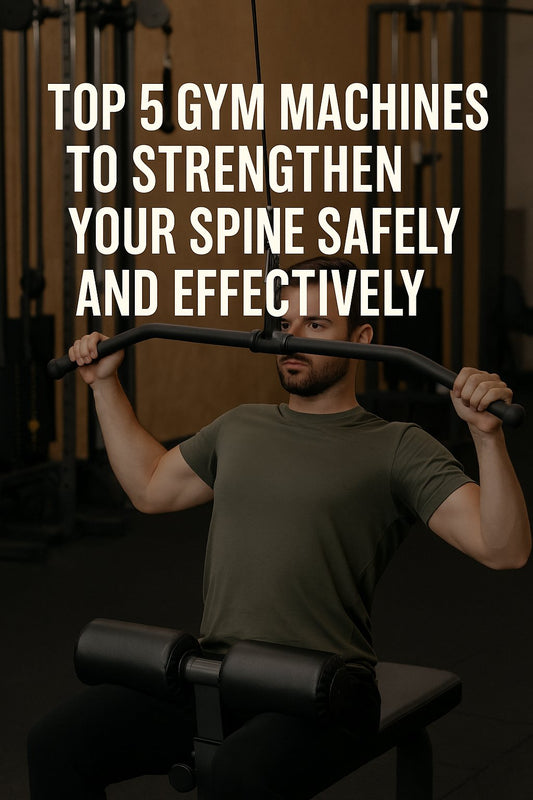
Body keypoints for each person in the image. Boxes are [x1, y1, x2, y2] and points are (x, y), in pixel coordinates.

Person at [28, 257, 531, 800]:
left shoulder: (398, 446)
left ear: (362, 338)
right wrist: (104, 385)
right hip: (217, 672)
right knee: (56, 744)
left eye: (316, 325)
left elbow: (503, 548)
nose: (291, 339)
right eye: (284, 324)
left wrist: (487, 439)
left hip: (326, 689)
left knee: (238, 775)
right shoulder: (242, 424)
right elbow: (151, 486)